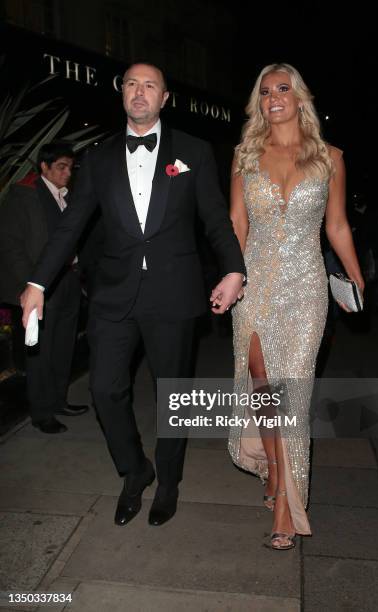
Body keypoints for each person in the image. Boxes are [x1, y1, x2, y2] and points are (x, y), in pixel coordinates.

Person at [20, 62, 245, 527]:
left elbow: (216, 220)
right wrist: (38, 282)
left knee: (173, 397)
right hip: (114, 296)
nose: (139, 92)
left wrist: (234, 270)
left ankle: (167, 480)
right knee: (105, 388)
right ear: (121, 94)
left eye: (150, 86)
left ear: (165, 98)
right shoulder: (99, 158)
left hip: (174, 293)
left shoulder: (193, 151)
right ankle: (134, 469)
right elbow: (71, 227)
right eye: (131, 85)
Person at [228, 63, 364, 550]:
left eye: (283, 89)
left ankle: (286, 506)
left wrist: (355, 274)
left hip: (305, 289)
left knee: (293, 395)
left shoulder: (330, 158)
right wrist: (229, 279)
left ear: (300, 97)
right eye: (265, 92)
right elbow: (237, 226)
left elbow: (338, 226)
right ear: (258, 103)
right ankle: (273, 470)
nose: (273, 98)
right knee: (263, 384)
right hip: (255, 286)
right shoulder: (245, 156)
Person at [0, 143, 89, 434]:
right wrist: (31, 283)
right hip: (40, 286)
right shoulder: (23, 196)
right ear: (44, 167)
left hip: (69, 281)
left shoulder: (69, 197)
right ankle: (41, 412)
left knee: (64, 346)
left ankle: (58, 400)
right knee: (39, 351)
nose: (67, 173)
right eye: (61, 167)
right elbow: (11, 245)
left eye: (70, 167)